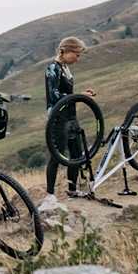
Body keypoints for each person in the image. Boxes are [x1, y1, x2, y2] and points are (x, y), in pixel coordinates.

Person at [42, 36, 96, 206]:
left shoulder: (66, 68)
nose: (78, 59)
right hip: (58, 118)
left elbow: (67, 93)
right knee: (56, 156)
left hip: (71, 116)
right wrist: (79, 96)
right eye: (76, 55)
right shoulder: (53, 68)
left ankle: (72, 189)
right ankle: (50, 195)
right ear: (65, 51)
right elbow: (54, 95)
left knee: (77, 153)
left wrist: (80, 94)